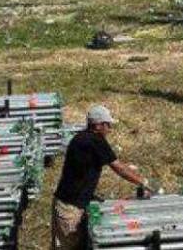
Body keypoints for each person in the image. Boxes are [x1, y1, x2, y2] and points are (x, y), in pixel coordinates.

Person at [52, 105, 150, 250]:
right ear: (98, 125)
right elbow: (119, 168)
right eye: (107, 125)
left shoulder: (81, 138)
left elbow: (81, 173)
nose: (109, 129)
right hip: (70, 208)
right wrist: (143, 182)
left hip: (69, 203)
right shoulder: (95, 141)